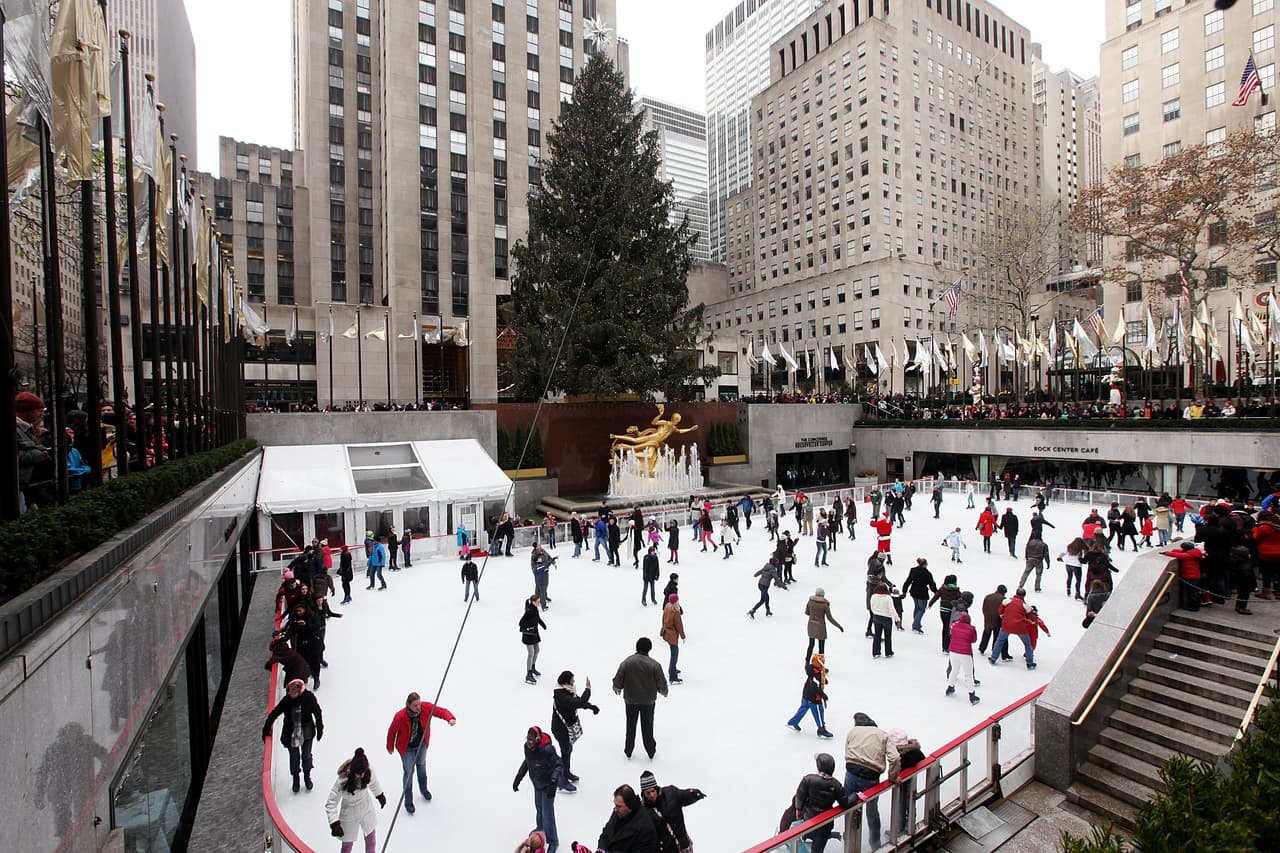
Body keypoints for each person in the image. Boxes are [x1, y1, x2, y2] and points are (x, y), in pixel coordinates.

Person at [385, 691, 456, 813]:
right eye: (415, 706)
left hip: (421, 745)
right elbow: (392, 732)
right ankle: (408, 801)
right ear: (408, 705)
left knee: (422, 767)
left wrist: (450, 718)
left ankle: (424, 790)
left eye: (419, 704)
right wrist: (390, 747)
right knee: (408, 773)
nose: (418, 707)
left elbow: (440, 711)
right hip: (407, 748)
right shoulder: (400, 716)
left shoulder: (425, 708)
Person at [842, 712, 900, 851]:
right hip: (871, 777)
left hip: (851, 773)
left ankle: (849, 843)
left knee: (849, 807)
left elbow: (847, 751)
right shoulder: (883, 735)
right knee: (872, 811)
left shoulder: (853, 731)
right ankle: (875, 844)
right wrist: (892, 778)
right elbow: (895, 758)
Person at [262, 678, 324, 792]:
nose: (292, 696)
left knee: (306, 755)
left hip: (307, 732)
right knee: (294, 758)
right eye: (290, 694)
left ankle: (307, 776)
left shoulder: (308, 698)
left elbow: (317, 712)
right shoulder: (287, 700)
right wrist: (266, 728)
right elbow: (275, 713)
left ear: (299, 691)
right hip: (291, 734)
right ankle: (296, 778)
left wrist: (320, 728)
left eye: (294, 694)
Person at [612, 637, 668, 760]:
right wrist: (664, 692)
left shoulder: (627, 662)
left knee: (630, 726)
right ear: (649, 649)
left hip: (630, 700)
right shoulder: (655, 665)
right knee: (647, 726)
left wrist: (616, 687)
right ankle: (650, 750)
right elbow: (661, 683)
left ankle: (628, 750)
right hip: (648, 701)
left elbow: (618, 682)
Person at [513, 726, 565, 851]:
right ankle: (540, 829)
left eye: (531, 740)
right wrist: (518, 778)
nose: (529, 743)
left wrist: (553, 782)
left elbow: (559, 765)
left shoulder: (547, 750)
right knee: (539, 807)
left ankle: (552, 840)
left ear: (537, 739)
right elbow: (527, 762)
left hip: (548, 786)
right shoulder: (527, 748)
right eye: (528, 740)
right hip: (537, 783)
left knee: (548, 812)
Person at [325, 748, 386, 853]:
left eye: (363, 773)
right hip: (349, 813)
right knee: (347, 845)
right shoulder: (342, 781)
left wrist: (379, 795)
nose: (362, 776)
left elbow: (374, 783)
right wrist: (334, 823)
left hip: (366, 808)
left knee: (371, 838)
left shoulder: (368, 772)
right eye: (359, 773)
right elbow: (331, 803)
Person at [790, 752, 850, 853]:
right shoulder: (836, 785)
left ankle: (808, 836)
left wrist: (798, 809)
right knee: (818, 847)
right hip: (825, 823)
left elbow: (800, 795)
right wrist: (856, 796)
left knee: (810, 831)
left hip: (809, 819)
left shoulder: (808, 779)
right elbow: (845, 802)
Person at [551, 671, 599, 790]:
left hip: (565, 729)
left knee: (568, 750)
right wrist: (587, 690)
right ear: (566, 682)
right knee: (565, 752)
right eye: (572, 680)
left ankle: (566, 772)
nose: (574, 681)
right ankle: (561, 779)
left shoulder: (567, 691)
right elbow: (579, 702)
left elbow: (578, 702)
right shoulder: (562, 696)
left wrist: (591, 707)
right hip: (561, 730)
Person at [639, 770, 705, 853]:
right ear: (643, 793)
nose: (652, 795)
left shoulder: (671, 793)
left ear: (656, 789)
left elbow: (684, 795)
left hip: (683, 846)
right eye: (648, 793)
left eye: (653, 791)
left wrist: (694, 794)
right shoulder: (643, 811)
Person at [595, 784, 658, 852]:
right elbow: (606, 834)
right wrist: (601, 848)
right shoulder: (617, 813)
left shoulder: (645, 825)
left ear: (630, 805)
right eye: (615, 805)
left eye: (619, 806)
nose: (615, 809)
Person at [787, 653, 834, 738]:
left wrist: (823, 679)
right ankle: (821, 729)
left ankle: (793, 722)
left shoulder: (814, 670)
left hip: (806, 693)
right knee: (819, 712)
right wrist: (823, 695)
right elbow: (815, 687)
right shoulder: (815, 674)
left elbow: (819, 679)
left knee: (803, 708)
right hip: (813, 697)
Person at [988, 589, 1037, 670]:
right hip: (1020, 627)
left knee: (1000, 640)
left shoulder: (1007, 601)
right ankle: (1029, 662)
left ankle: (993, 658)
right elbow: (1032, 618)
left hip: (1006, 625)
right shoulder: (1026, 606)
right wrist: (1033, 622)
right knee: (1027, 644)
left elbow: (1000, 610)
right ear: (1024, 595)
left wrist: (1003, 617)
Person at [945, 612, 980, 705]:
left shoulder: (954, 625)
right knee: (968, 675)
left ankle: (950, 687)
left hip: (953, 651)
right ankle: (972, 695)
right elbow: (973, 640)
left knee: (954, 670)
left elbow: (951, 634)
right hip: (965, 653)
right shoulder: (971, 628)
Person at [1163, 541, 1206, 611]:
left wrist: (1166, 553)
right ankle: (1194, 605)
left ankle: (1194, 607)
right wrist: (1175, 550)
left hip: (1191, 577)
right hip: (1194, 576)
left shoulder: (1188, 555)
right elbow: (1179, 552)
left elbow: (1180, 555)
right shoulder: (1193, 553)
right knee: (1193, 592)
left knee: (1192, 593)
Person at [805, 587, 844, 660]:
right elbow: (830, 618)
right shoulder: (824, 605)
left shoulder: (810, 601)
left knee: (811, 644)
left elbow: (807, 613)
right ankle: (820, 666)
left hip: (811, 626)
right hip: (821, 628)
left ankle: (807, 662)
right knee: (821, 647)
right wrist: (839, 626)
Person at [928, 574, 962, 653]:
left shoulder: (942, 589)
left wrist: (930, 604)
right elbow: (960, 600)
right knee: (949, 628)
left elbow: (935, 596)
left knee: (945, 627)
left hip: (943, 611)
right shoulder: (956, 591)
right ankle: (948, 646)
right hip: (951, 611)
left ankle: (944, 646)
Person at [904, 558, 937, 634]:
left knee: (917, 607)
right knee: (921, 609)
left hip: (914, 591)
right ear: (925, 564)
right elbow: (932, 584)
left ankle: (916, 623)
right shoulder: (927, 573)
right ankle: (916, 625)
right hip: (922, 593)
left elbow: (908, 581)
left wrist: (904, 590)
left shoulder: (913, 570)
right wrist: (936, 592)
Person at [521, 595, 548, 684]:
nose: (539, 603)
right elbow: (521, 623)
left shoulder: (535, 609)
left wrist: (542, 624)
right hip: (528, 635)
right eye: (538, 601)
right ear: (533, 602)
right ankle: (528, 674)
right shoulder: (529, 611)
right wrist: (530, 625)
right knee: (531, 653)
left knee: (537, 650)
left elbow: (537, 618)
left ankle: (532, 667)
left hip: (534, 634)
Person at [978, 585, 1010, 659]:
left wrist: (986, 615)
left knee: (986, 633)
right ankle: (995, 649)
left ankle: (982, 648)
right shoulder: (1003, 599)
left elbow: (984, 607)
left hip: (988, 618)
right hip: (997, 620)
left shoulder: (988, 596)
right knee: (997, 635)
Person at [869, 583, 900, 658]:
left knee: (877, 635)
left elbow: (872, 607)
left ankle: (876, 652)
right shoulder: (888, 598)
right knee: (888, 636)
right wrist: (897, 619)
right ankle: (888, 652)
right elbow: (892, 609)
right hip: (886, 618)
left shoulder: (873, 596)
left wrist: (875, 613)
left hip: (876, 617)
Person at [660, 595, 685, 684]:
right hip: (672, 635)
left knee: (673, 653)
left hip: (667, 634)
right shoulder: (675, 611)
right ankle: (673, 676)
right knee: (674, 655)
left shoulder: (667, 607)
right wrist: (683, 636)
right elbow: (679, 625)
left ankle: (673, 669)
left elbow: (663, 619)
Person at [532, 543, 555, 609]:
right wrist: (545, 565)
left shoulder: (543, 551)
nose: (540, 546)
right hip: (539, 574)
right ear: (536, 547)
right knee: (542, 588)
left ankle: (542, 597)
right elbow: (536, 566)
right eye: (538, 545)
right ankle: (543, 605)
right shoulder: (535, 555)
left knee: (543, 586)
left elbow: (548, 557)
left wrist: (552, 562)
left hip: (545, 573)